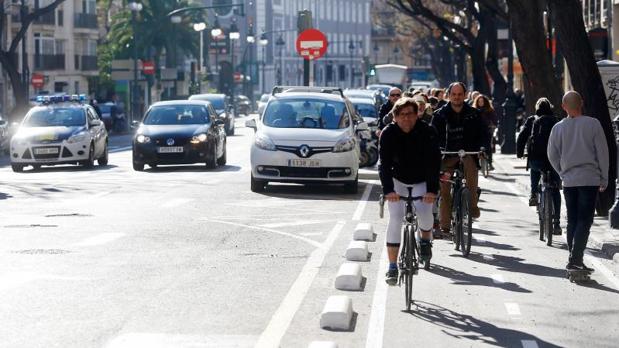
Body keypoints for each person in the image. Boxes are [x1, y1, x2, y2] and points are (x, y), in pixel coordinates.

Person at [379, 97, 441, 285]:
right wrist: (388, 190)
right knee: (396, 218)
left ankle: (424, 241)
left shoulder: (428, 131)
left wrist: (431, 190)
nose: (407, 119)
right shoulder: (388, 133)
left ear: (417, 115)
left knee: (424, 213)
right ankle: (392, 266)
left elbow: (434, 163)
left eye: (411, 114)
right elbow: (384, 164)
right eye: (402, 115)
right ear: (395, 117)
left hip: (422, 179)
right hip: (398, 180)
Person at [547, 91, 609, 272]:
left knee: (572, 220)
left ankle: (574, 259)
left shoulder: (558, 128)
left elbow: (552, 154)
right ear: (581, 103)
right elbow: (602, 153)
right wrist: (603, 177)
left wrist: (561, 171)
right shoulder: (593, 124)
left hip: (569, 180)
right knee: (584, 220)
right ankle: (576, 259)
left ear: (563, 106)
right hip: (589, 179)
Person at [431, 82, 489, 237]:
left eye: (459, 94)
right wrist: (437, 149)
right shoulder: (439, 114)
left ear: (465, 95)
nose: (456, 97)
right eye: (454, 94)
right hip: (447, 155)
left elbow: (484, 134)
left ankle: (472, 205)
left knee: (472, 175)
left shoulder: (474, 114)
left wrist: (483, 149)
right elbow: (432, 136)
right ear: (449, 95)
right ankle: (445, 224)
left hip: (468, 153)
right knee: (444, 188)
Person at [516, 98, 562, 234]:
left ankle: (533, 193)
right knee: (555, 190)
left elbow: (522, 137)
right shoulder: (557, 121)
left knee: (534, 169)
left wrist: (519, 153)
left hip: (536, 159)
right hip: (553, 161)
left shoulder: (532, 120)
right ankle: (557, 223)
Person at [473, 94, 498, 170]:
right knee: (476, 146)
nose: (481, 103)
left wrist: (493, 125)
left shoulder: (489, 110)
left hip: (487, 130)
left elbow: (494, 120)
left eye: (482, 101)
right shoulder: (474, 110)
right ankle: (476, 163)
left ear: (485, 102)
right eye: (479, 101)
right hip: (477, 131)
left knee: (488, 147)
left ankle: (490, 163)